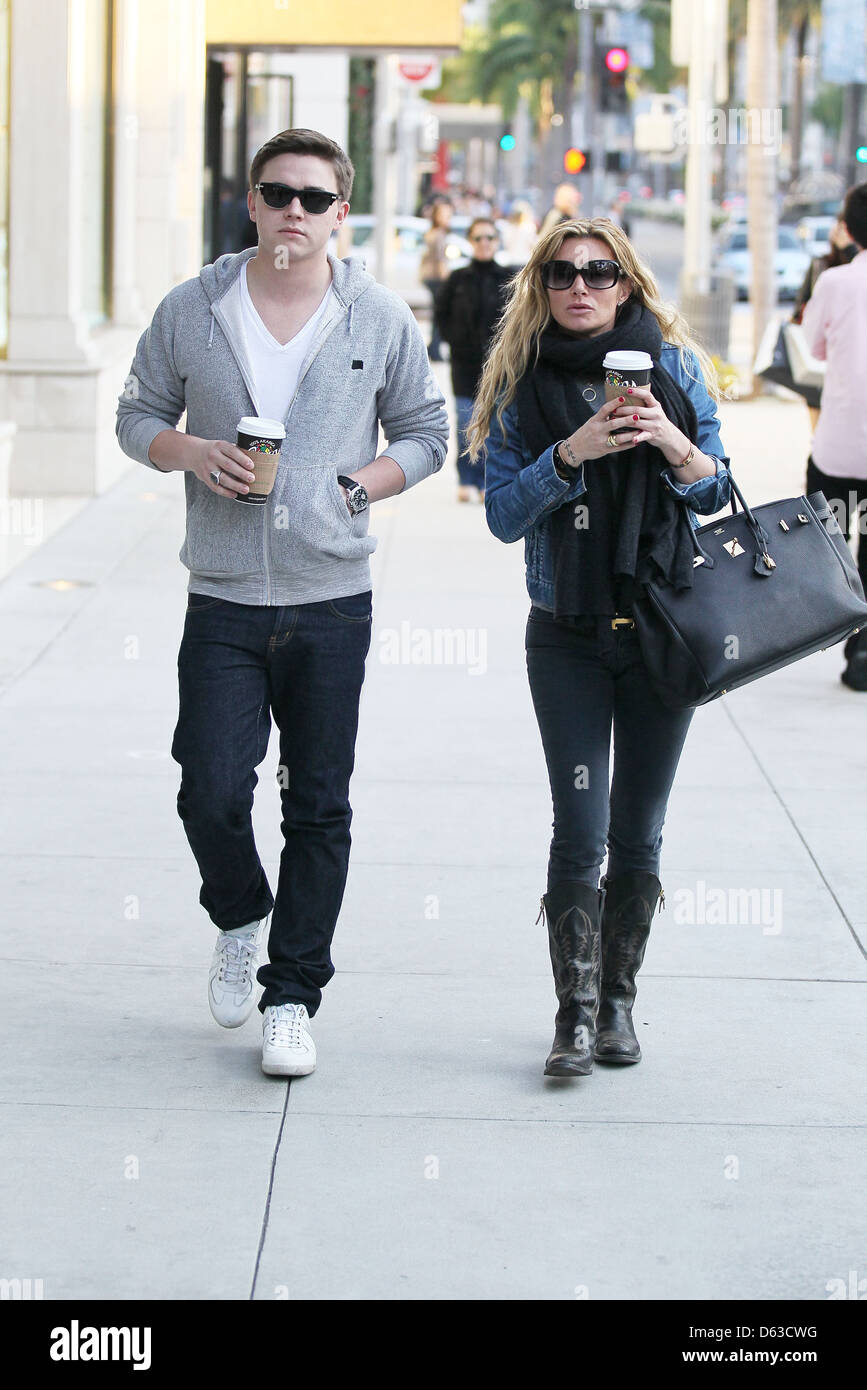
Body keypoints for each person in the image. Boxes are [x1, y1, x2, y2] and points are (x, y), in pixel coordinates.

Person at [116, 128, 448, 1077]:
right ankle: (238, 914)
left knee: (317, 803)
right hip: (221, 594)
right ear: (252, 205)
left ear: (341, 212)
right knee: (210, 788)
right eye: (277, 194)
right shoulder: (194, 308)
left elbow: (427, 432)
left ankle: (293, 994)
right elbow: (137, 412)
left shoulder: (376, 315)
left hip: (331, 598)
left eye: (313, 197)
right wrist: (192, 452)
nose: (293, 212)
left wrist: (355, 487)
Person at [468, 217, 731, 1078]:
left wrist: (672, 440)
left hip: (661, 633)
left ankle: (618, 1004)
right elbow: (504, 516)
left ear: (625, 285)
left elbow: (717, 497)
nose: (579, 287)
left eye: (598, 272)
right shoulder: (519, 381)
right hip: (567, 636)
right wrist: (568, 455)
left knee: (638, 831)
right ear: (540, 288)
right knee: (579, 830)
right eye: (560, 273)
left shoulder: (677, 370)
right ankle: (572, 1017)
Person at [802, 182, 867, 691]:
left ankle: (844, 632)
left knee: (830, 550)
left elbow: (814, 349)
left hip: (840, 445)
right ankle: (862, 655)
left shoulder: (835, 282)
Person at [434, 217, 514, 502]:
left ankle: (486, 481)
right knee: (466, 420)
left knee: (494, 424)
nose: (484, 243)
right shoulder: (457, 278)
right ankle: (466, 478)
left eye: (489, 237)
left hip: (497, 367)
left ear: (497, 242)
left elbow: (517, 320)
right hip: (464, 365)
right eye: (478, 238)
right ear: (470, 241)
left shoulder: (507, 278)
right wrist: (454, 340)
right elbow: (441, 314)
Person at [791, 215, 857, 432]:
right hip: (820, 352)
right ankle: (817, 443)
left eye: (844, 228)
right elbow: (802, 303)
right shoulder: (820, 264)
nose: (838, 232)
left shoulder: (856, 265)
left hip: (847, 356)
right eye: (837, 227)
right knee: (816, 403)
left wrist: (849, 250)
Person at [419, 198, 454, 360]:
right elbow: (440, 260)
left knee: (437, 313)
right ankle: (435, 349)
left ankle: (433, 347)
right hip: (436, 278)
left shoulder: (432, 233)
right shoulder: (438, 234)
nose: (447, 218)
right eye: (444, 215)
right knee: (441, 313)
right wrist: (448, 281)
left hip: (429, 277)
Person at [499, 201, 539, 268]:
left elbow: (506, 244)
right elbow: (533, 245)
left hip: (516, 260)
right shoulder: (529, 227)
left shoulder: (510, 228)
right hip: (522, 260)